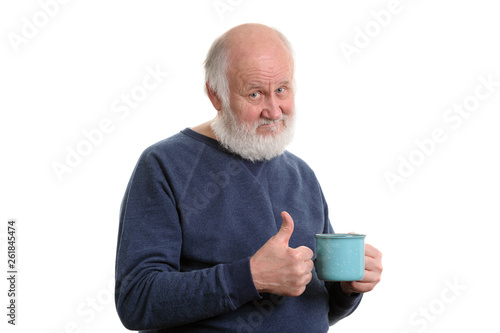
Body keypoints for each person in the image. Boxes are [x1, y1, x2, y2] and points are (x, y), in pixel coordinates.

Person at [115, 23, 383, 332]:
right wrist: (251, 277)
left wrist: (348, 287)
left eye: (281, 89)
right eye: (255, 94)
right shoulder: (163, 164)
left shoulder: (302, 174)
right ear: (216, 96)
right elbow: (136, 301)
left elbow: (315, 306)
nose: (273, 110)